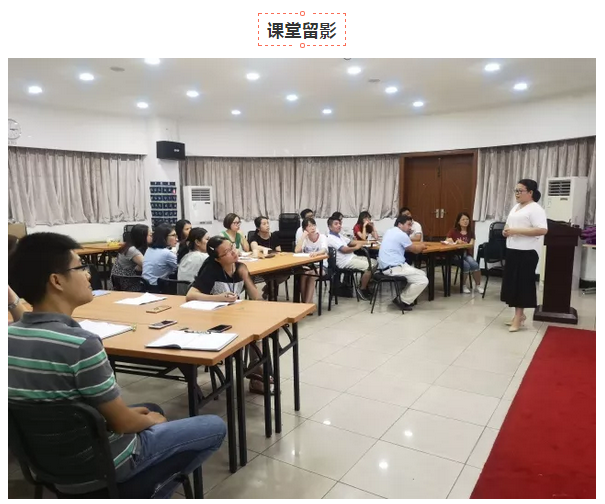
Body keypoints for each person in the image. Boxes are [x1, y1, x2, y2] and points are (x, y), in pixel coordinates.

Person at [8, 233, 226, 498]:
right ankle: (146, 491)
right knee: (213, 426)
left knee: (152, 408)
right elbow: (122, 423)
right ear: (56, 281)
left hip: (48, 467)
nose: (88, 275)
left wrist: (143, 417)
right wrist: (150, 422)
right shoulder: (82, 344)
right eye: (80, 268)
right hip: (101, 466)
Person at [186, 236, 270, 394]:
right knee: (253, 335)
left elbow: (257, 298)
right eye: (227, 252)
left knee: (258, 332)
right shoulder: (211, 270)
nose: (233, 252)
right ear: (217, 259)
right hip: (212, 321)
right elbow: (190, 295)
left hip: (234, 317)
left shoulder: (240, 267)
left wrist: (246, 277)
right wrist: (218, 298)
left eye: (232, 247)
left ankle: (257, 374)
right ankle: (257, 374)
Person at [501, 179, 548, 332]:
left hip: (527, 252)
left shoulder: (535, 209)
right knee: (513, 284)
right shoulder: (516, 207)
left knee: (522, 285)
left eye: (520, 191)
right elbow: (509, 224)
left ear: (530, 192)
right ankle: (519, 316)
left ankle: (518, 317)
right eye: (516, 190)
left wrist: (516, 231)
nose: (517, 194)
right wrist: (506, 231)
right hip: (512, 249)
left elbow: (542, 230)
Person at [378, 215, 430, 310]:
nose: (410, 228)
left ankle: (402, 298)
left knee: (422, 274)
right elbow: (415, 250)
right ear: (400, 224)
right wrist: (422, 246)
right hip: (393, 268)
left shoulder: (390, 231)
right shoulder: (401, 234)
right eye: (408, 225)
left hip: (388, 266)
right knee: (423, 280)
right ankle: (402, 300)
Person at [326, 216, 376, 301]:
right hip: (345, 262)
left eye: (339, 224)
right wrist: (356, 247)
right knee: (370, 266)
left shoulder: (339, 236)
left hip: (351, 257)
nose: (339, 225)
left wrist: (367, 242)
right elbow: (344, 250)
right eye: (336, 224)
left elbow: (351, 242)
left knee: (375, 262)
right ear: (330, 227)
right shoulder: (331, 238)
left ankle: (363, 284)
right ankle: (362, 289)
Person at [249, 216, 288, 300]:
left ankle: (267, 288)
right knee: (271, 277)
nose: (267, 225)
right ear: (258, 228)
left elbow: (279, 251)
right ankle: (270, 292)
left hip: (274, 264)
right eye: (264, 224)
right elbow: (254, 247)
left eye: (267, 223)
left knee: (286, 274)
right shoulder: (254, 237)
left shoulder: (273, 236)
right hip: (260, 266)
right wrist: (265, 249)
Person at [446, 212, 485, 294]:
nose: (465, 221)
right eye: (463, 219)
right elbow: (447, 241)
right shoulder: (453, 231)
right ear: (458, 222)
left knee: (475, 264)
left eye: (467, 219)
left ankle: (478, 285)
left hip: (465, 254)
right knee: (466, 266)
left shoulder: (470, 232)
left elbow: (471, 245)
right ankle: (463, 285)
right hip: (455, 255)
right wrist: (454, 242)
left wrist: (463, 243)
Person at [295, 217, 329, 304]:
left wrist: (316, 253)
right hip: (308, 266)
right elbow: (297, 251)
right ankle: (305, 303)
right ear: (304, 229)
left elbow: (324, 250)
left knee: (311, 276)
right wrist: (303, 236)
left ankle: (307, 304)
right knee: (303, 275)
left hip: (321, 266)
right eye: (309, 226)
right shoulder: (305, 239)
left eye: (313, 225)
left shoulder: (322, 237)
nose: (312, 228)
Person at [111, 224, 152, 290]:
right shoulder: (132, 250)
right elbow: (148, 266)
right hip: (128, 284)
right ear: (142, 237)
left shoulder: (128, 246)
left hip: (121, 282)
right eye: (150, 235)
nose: (152, 237)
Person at [142, 224, 178, 289]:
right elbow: (178, 269)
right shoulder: (167, 253)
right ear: (164, 237)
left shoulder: (149, 249)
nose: (176, 239)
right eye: (173, 235)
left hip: (145, 285)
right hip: (157, 287)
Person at [177, 227, 209, 293]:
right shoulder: (204, 257)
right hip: (195, 294)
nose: (210, 242)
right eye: (207, 239)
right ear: (197, 242)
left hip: (181, 294)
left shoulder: (185, 256)